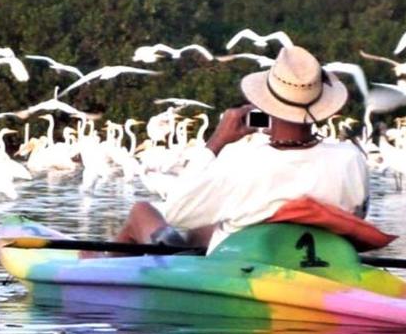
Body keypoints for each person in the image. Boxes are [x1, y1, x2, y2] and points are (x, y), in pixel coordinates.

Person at [116, 45, 369, 253]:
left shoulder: (242, 161)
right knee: (200, 228)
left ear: (266, 107)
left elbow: (175, 212)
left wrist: (216, 141)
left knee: (142, 211)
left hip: (243, 265)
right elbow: (358, 215)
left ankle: (91, 266)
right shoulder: (351, 158)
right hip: (312, 256)